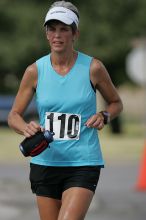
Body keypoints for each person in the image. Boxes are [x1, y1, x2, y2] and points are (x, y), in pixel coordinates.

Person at [8, 1, 123, 220]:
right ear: (46, 33)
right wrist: (26, 128)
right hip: (44, 162)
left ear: (75, 33)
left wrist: (104, 116)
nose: (57, 35)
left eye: (64, 29)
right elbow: (14, 115)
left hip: (83, 162)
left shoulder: (93, 68)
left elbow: (116, 103)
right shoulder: (35, 71)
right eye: (52, 29)